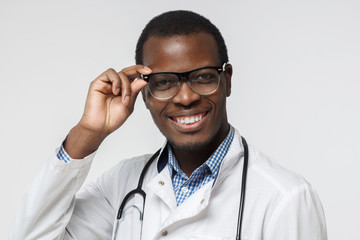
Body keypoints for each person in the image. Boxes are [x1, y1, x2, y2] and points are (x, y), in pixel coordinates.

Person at [10, 10, 327, 240]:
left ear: (226, 80)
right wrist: (89, 133)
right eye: (164, 82)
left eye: (203, 77)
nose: (186, 97)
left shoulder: (285, 198)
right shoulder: (123, 183)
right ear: (144, 92)